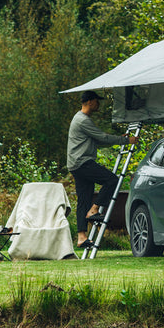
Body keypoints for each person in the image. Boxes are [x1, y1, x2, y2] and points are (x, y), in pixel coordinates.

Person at [66, 90, 138, 249]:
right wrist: (126, 140)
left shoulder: (80, 119)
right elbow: (102, 137)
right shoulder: (83, 120)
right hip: (82, 162)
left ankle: (81, 237)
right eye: (97, 101)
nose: (98, 104)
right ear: (90, 101)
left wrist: (121, 139)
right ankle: (94, 210)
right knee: (112, 180)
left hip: (76, 164)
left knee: (84, 199)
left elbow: (99, 141)